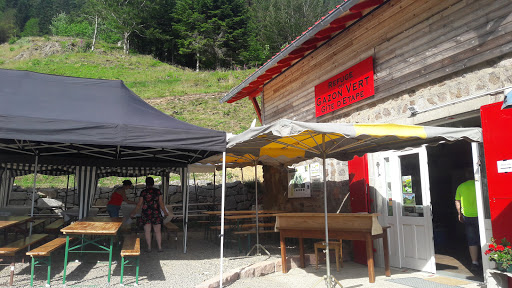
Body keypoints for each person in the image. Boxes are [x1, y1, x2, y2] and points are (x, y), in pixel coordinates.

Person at [130, 177, 168, 252]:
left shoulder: (143, 192)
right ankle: (160, 247)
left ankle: (149, 248)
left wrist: (133, 212)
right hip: (156, 213)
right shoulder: (158, 192)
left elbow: (139, 204)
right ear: (153, 183)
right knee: (158, 231)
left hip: (146, 213)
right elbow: (161, 203)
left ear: (146, 183)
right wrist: (165, 212)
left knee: (147, 231)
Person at [455, 170, 480, 271]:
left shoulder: (461, 186)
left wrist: (459, 214)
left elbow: (457, 201)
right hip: (480, 216)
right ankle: (486, 259)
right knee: (483, 237)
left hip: (468, 216)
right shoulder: (478, 184)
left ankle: (474, 262)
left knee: (472, 239)